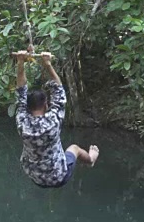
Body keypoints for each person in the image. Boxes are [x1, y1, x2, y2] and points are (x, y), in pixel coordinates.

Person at [13, 45, 99, 188]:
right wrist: (48, 64)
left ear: (27, 108)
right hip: (59, 177)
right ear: (46, 105)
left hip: (36, 178)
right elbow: (58, 91)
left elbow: (21, 92)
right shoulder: (52, 121)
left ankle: (89, 159)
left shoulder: (22, 121)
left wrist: (20, 62)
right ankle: (91, 159)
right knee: (74, 148)